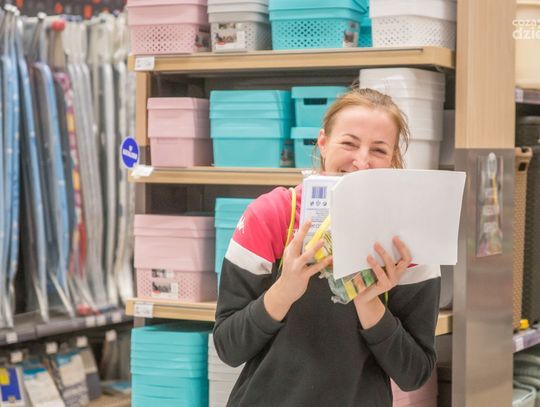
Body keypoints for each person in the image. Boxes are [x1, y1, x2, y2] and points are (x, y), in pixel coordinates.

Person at [213, 88, 441, 407]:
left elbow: (414, 373)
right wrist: (284, 291)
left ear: (393, 158)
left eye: (378, 149)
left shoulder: (406, 241)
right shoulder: (272, 215)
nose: (361, 161)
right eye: (349, 143)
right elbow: (228, 347)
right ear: (323, 142)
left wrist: (368, 302)